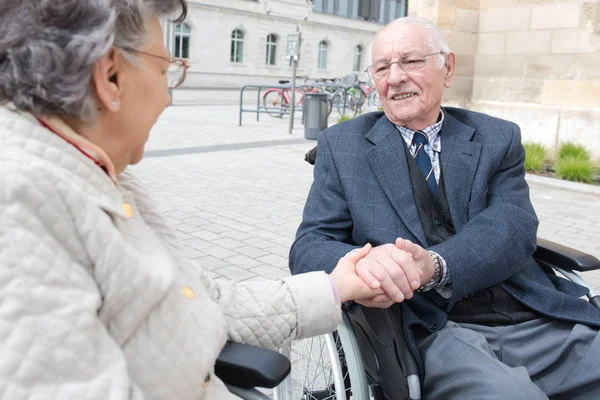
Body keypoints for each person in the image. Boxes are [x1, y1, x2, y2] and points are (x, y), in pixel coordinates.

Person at [0, 1, 387, 399]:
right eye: (165, 71)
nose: (168, 98)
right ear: (110, 75)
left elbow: (205, 300)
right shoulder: (20, 202)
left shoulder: (104, 175)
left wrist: (335, 287)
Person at [290, 16, 600, 399]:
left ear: (447, 68)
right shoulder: (344, 146)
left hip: (527, 311)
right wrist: (362, 263)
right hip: (427, 330)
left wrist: (434, 265)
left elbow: (514, 224)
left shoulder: (496, 137)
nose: (396, 77)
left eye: (411, 61)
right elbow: (309, 246)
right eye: (382, 68)